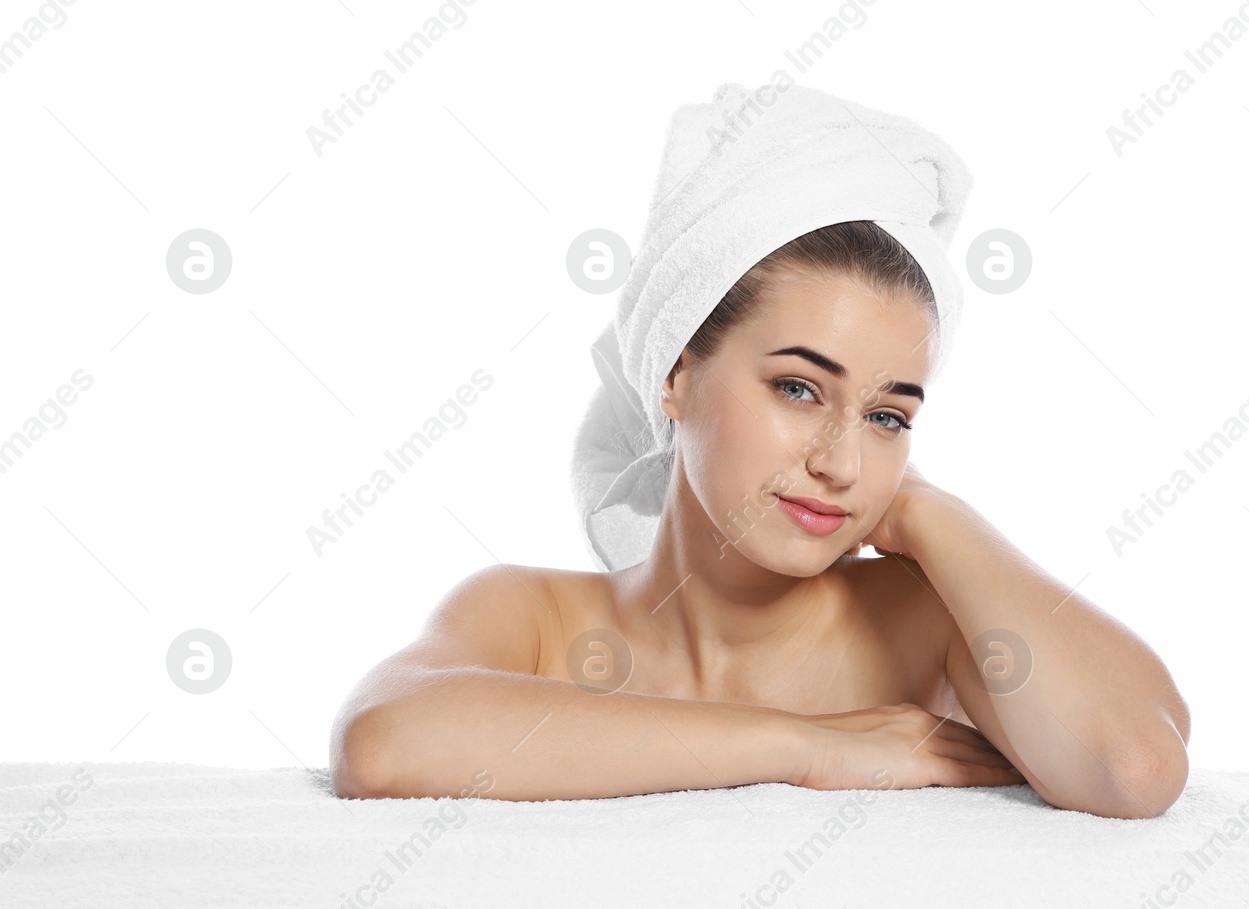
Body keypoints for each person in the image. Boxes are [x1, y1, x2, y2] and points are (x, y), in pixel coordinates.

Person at [330, 220, 1191, 818]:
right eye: (797, 388)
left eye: (888, 417)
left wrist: (930, 514)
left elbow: (1136, 765)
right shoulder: (534, 617)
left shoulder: (929, 622)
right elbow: (385, 745)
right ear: (675, 374)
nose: (842, 463)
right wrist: (805, 747)